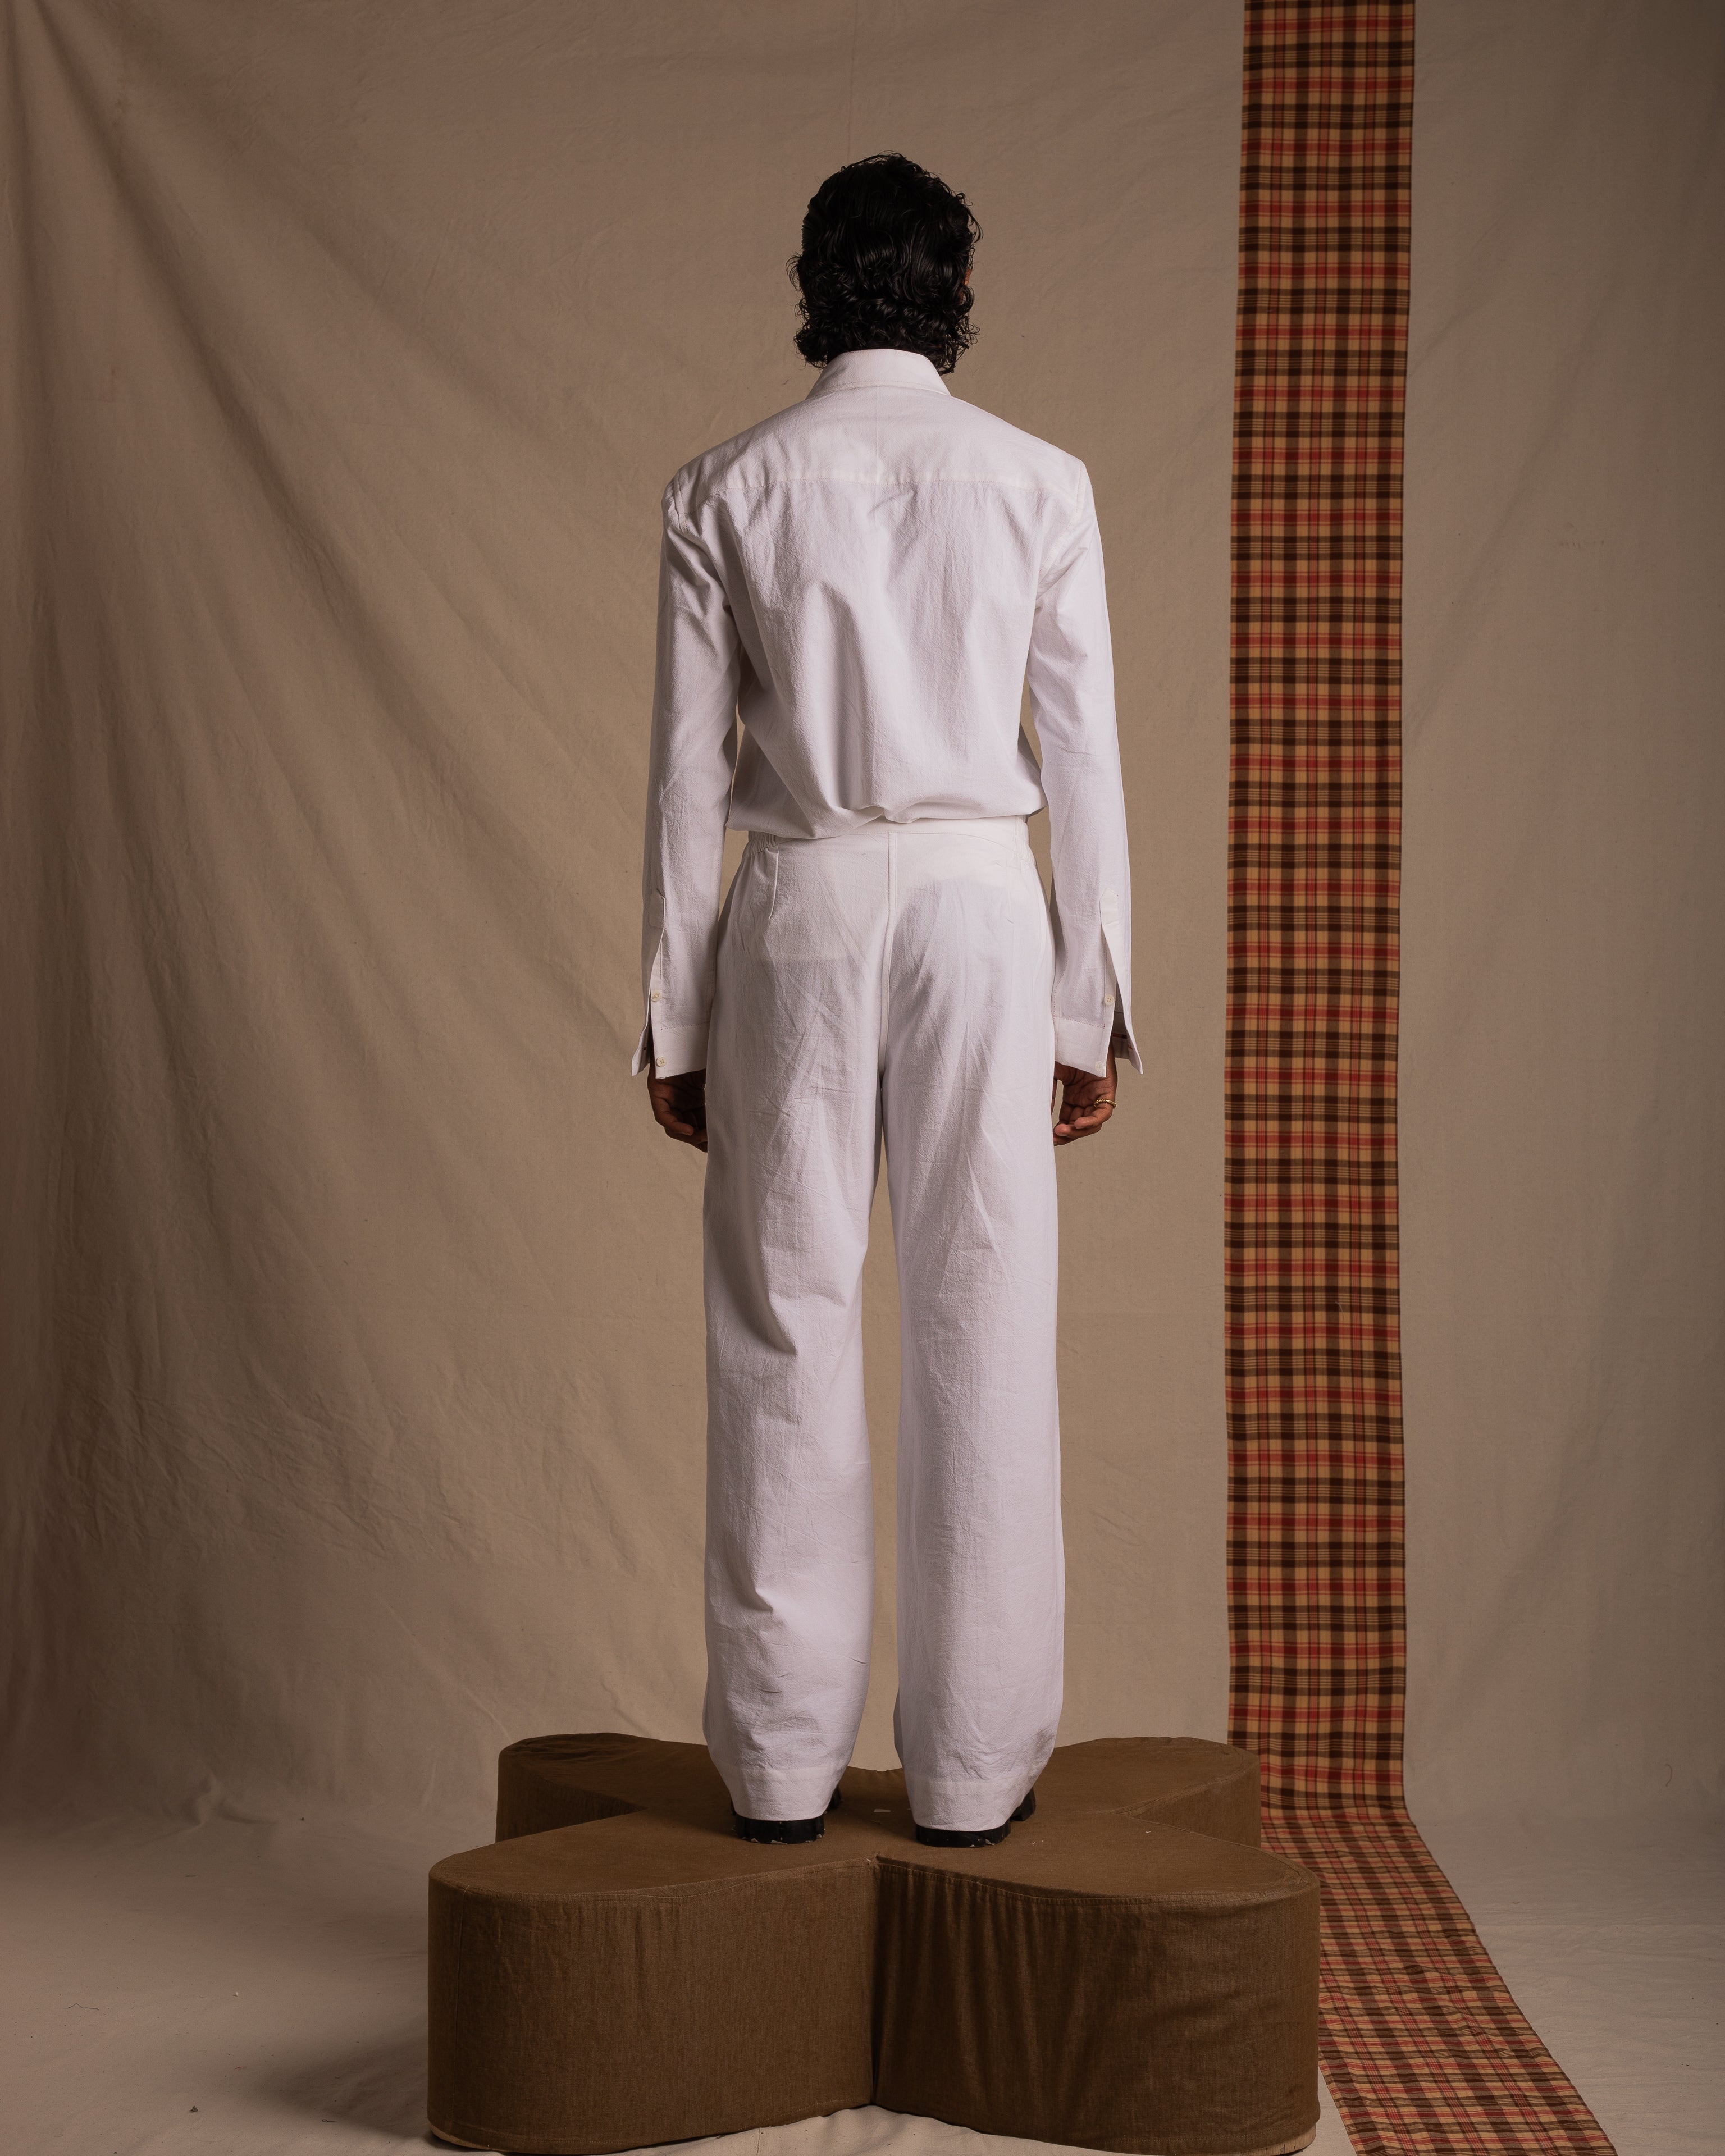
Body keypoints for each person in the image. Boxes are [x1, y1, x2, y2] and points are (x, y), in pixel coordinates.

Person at [632, 153, 1140, 1851]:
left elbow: (685, 786)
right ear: (956, 292)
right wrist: (1086, 1006)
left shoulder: (724, 487)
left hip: (802, 904)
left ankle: (778, 1769)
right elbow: (1085, 763)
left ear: (814, 286)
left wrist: (677, 1012)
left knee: (787, 1320)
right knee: (983, 1319)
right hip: (988, 911)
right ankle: (975, 1776)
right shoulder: (1042, 481)